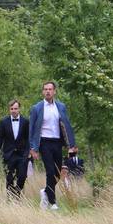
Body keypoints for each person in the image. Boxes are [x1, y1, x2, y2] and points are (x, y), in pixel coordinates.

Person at [28, 81, 77, 210]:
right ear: (43, 92)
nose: (48, 91)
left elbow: (67, 126)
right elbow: (32, 129)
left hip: (57, 142)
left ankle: (45, 191)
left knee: (56, 172)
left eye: (50, 89)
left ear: (54, 91)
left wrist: (72, 144)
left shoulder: (61, 107)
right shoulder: (37, 108)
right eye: (45, 89)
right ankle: (53, 202)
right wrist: (33, 148)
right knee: (50, 170)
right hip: (44, 142)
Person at [0, 99, 30, 200]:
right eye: (12, 109)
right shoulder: (4, 122)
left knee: (22, 176)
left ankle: (17, 193)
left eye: (16, 108)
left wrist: (28, 152)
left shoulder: (26, 122)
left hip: (22, 155)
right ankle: (10, 198)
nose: (13, 110)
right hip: (9, 154)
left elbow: (28, 139)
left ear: (19, 109)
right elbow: (0, 138)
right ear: (9, 109)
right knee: (9, 178)